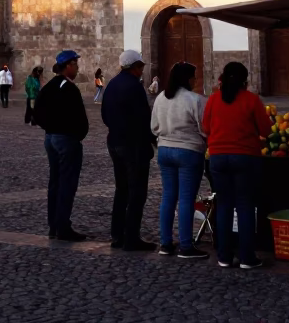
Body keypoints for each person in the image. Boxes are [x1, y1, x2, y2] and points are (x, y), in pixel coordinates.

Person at [202, 62, 272, 270]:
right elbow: (266, 130)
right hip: (245, 157)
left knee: (223, 205)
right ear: (245, 80)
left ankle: (224, 256)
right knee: (245, 206)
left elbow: (206, 127)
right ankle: (247, 257)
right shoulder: (251, 100)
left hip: (218, 157)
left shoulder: (214, 99)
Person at [101, 49, 156, 251]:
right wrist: (152, 142)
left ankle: (117, 235)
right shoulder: (134, 87)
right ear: (135, 67)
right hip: (133, 146)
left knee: (121, 190)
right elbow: (144, 119)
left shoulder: (112, 84)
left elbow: (105, 115)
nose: (142, 70)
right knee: (136, 193)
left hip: (114, 141)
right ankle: (131, 237)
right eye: (141, 66)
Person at [151, 61, 208, 259]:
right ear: (188, 78)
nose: (195, 80)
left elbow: (154, 126)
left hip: (165, 150)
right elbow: (204, 128)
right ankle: (186, 245)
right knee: (186, 199)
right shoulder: (196, 100)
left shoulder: (161, 98)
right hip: (188, 151)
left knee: (168, 197)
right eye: (194, 76)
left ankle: (165, 243)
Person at [35, 49, 89, 242]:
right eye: (75, 64)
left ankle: (54, 226)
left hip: (50, 138)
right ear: (68, 66)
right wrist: (77, 134)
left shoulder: (49, 87)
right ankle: (63, 227)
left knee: (55, 182)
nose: (77, 67)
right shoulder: (69, 88)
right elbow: (80, 117)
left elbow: (37, 113)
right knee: (67, 183)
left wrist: (49, 128)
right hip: (66, 139)